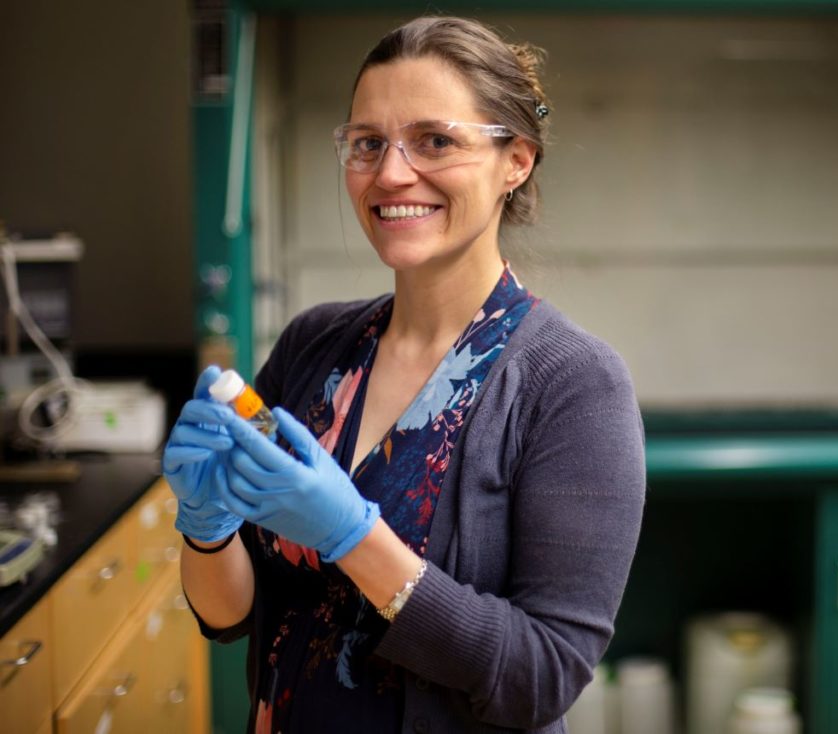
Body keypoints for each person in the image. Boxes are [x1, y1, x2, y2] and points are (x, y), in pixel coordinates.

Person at [163, 15, 646, 734]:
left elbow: (542, 678)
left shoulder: (573, 384)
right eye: (367, 144)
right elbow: (233, 615)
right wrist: (207, 529)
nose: (390, 174)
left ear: (516, 160)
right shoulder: (313, 345)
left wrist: (354, 537)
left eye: (435, 141)